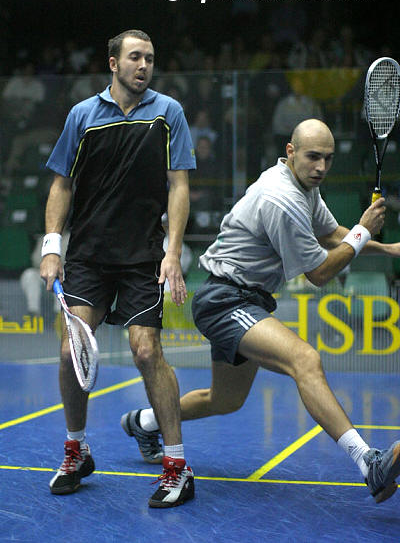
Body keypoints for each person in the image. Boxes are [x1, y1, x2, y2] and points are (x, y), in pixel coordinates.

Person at [127, 119, 400, 504]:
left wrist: (386, 248)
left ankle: (145, 422)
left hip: (245, 300)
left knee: (225, 400)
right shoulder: (280, 198)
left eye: (328, 158)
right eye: (313, 157)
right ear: (291, 152)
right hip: (225, 300)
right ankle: (367, 461)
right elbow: (320, 273)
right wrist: (363, 231)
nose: (321, 166)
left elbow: (331, 235)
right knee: (304, 360)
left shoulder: (304, 187)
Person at [39, 29, 196, 508]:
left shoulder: (168, 113)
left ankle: (177, 466)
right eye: (134, 57)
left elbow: (178, 186)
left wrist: (172, 252)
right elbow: (62, 184)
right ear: (113, 63)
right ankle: (76, 450)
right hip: (88, 255)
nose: (143, 65)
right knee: (71, 354)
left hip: (142, 257)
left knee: (147, 352)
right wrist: (52, 246)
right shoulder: (83, 116)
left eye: (149, 58)